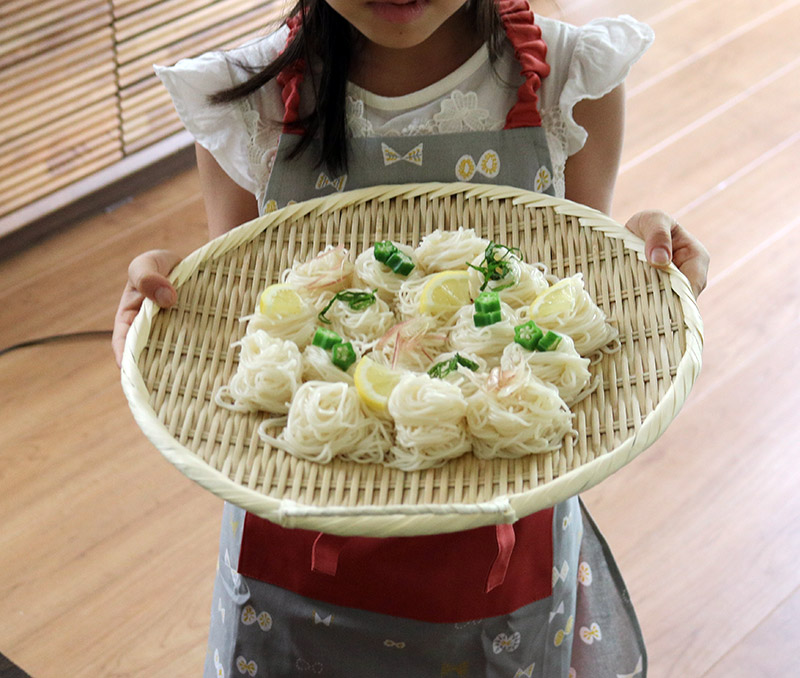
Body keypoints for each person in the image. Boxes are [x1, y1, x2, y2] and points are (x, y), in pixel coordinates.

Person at [112, 0, 709, 675]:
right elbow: (246, 312)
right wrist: (163, 306)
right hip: (299, 532)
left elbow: (568, 289)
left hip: (502, 526)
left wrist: (649, 263)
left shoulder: (570, 78)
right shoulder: (243, 99)